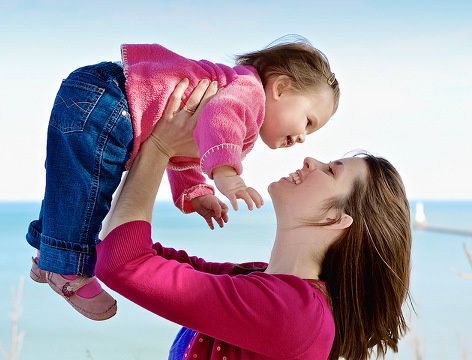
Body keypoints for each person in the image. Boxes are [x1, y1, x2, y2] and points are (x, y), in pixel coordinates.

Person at [26, 35, 340, 320]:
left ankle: (48, 254)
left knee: (71, 182)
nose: (303, 138)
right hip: (111, 100)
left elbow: (185, 149)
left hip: (99, 93)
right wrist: (227, 175)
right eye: (308, 122)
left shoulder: (238, 95)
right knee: (90, 189)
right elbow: (220, 119)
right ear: (281, 88)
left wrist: (196, 192)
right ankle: (67, 269)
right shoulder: (248, 94)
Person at [96, 79, 412, 359]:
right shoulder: (257, 279)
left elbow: (124, 263)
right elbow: (116, 249)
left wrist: (161, 145)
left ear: (335, 218)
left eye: (330, 171)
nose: (310, 159)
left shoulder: (296, 312)